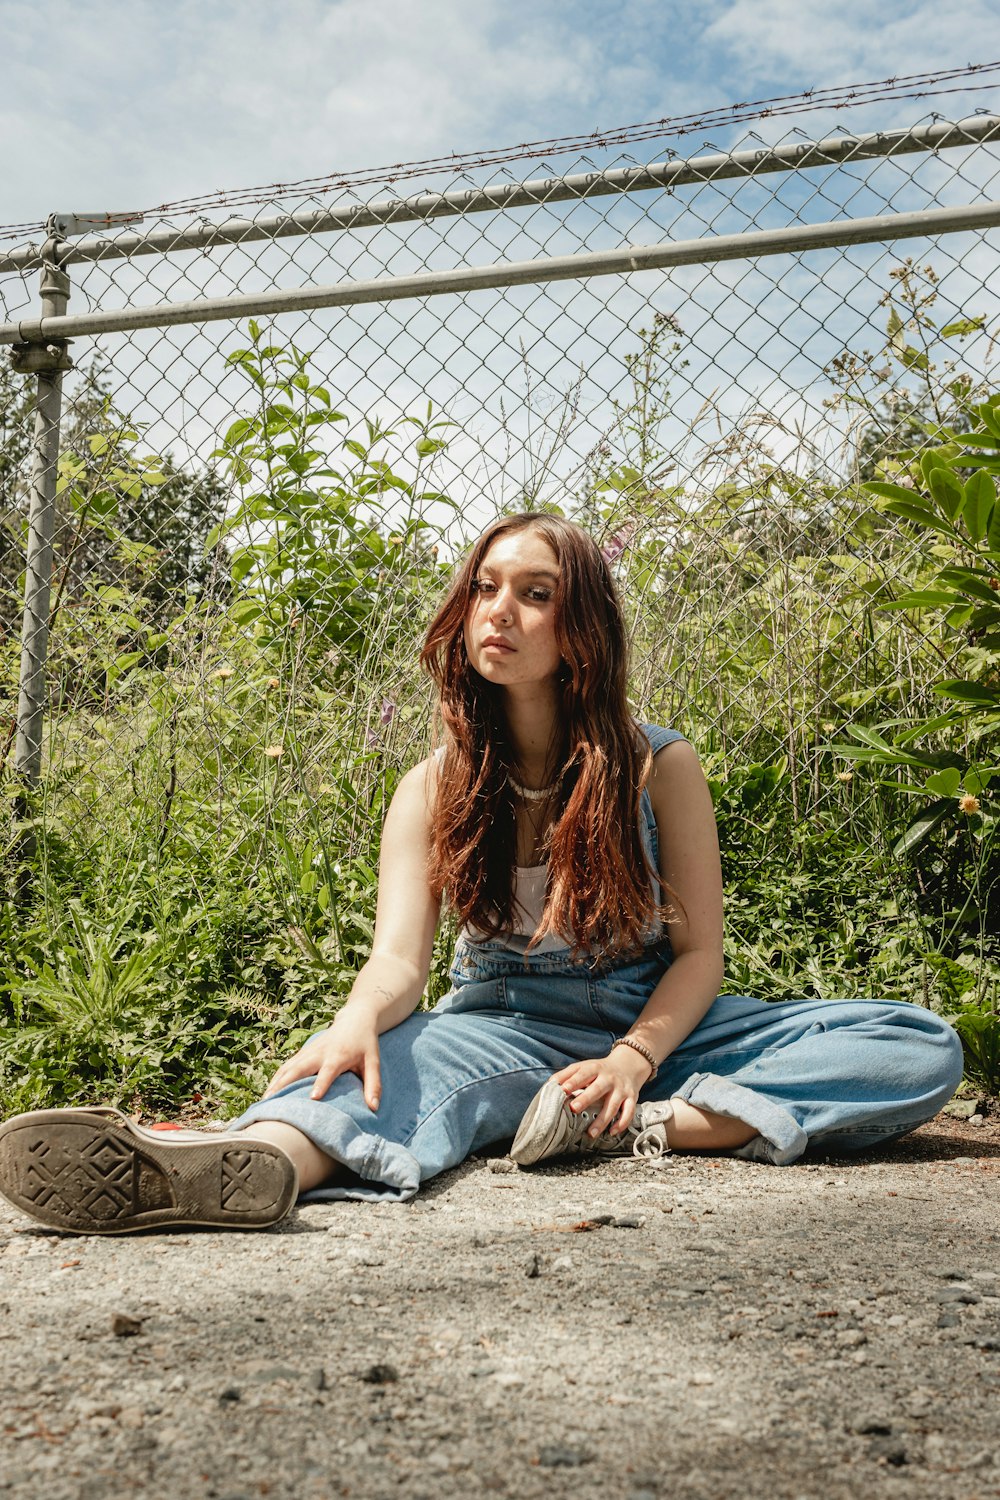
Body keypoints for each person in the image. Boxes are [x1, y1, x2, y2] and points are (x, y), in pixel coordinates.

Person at [0, 513, 964, 1234]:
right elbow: (398, 968)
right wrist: (351, 1022)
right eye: (486, 587)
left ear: (579, 628)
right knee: (375, 1075)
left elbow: (701, 953)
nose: (498, 610)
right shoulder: (430, 789)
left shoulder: (657, 765)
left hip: (662, 1026)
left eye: (535, 593)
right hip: (502, 1021)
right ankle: (239, 1169)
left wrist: (633, 1064)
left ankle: (636, 1125)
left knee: (916, 1046)